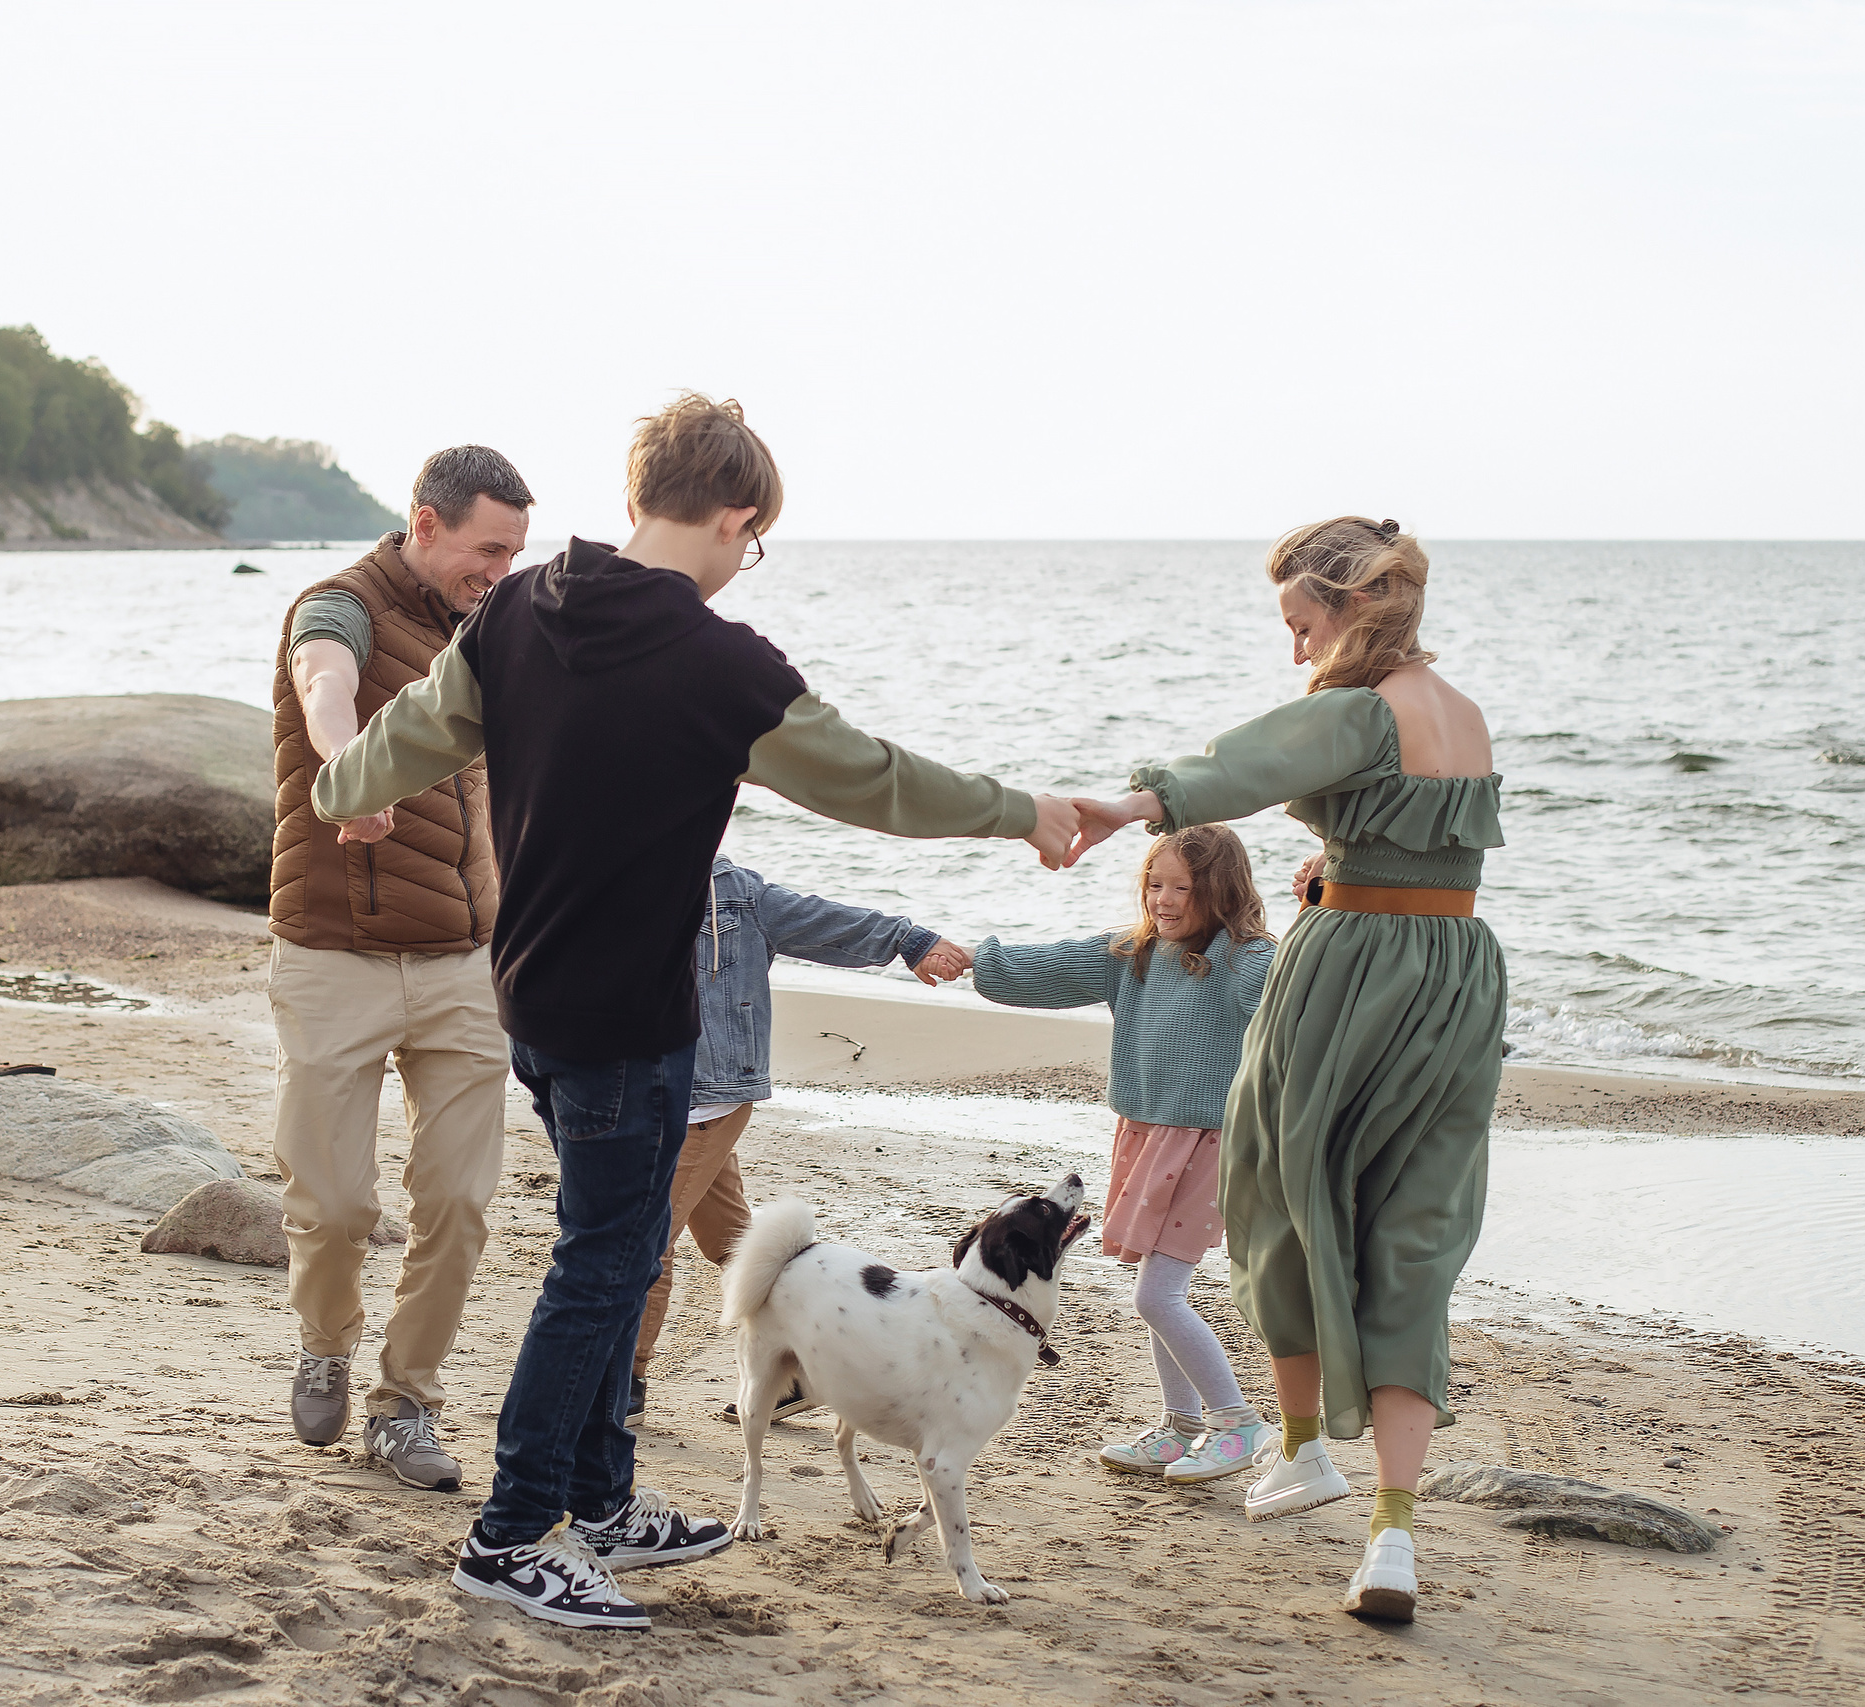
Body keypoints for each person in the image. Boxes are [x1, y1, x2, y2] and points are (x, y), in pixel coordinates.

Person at [313, 394, 1086, 1631]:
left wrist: (351, 787)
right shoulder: (720, 664)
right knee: (601, 1267)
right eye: (752, 538)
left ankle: (606, 1503)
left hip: (536, 1002)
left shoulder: (516, 607)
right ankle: (512, 1539)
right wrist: (1021, 809)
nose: (743, 561)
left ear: (636, 498)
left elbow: (393, 744)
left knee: (617, 1260)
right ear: (736, 517)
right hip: (627, 1018)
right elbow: (872, 780)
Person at [1072, 516, 1503, 1624]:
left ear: (1349, 610)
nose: (1293, 650)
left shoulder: (1356, 710)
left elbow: (1242, 767)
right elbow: (1426, 849)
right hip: (1453, 977)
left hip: (1348, 976)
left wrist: (1128, 804)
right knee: (1412, 1232)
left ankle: (1303, 1447)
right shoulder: (1461, 712)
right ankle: (1393, 1537)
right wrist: (1341, 860)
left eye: (1298, 626)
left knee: (1276, 1190)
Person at [266, 445, 532, 1492]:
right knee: (332, 1204)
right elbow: (320, 683)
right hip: (335, 958)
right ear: (423, 525)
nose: (501, 570)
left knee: (459, 1204)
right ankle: (323, 1342)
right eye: (486, 549)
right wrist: (347, 763)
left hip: (470, 963)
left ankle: (405, 1404)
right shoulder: (338, 606)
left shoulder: (493, 626)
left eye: (515, 552)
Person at [971, 825, 1278, 1485]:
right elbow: (1048, 967)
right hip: (1147, 1135)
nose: (1164, 900)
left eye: (1182, 888)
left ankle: (1236, 1419)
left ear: (1220, 890)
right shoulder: (1133, 952)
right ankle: (1182, 1425)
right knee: (1157, 1288)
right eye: (1154, 884)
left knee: (1157, 1295)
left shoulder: (1247, 958)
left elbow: (1297, 1014)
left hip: (1213, 1142)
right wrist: (976, 959)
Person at [628, 855, 973, 1426]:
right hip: (645, 1091)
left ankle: (624, 1380)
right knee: (744, 1246)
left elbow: (822, 921)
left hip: (706, 1099)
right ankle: (810, 1370)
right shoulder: (611, 872)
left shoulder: (733, 893)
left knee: (642, 1239)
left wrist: (910, 941)